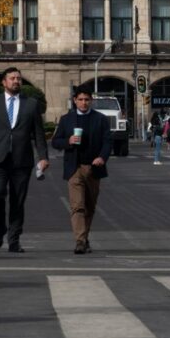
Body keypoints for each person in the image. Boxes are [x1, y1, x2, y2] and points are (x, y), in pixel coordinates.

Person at [0, 67, 49, 252]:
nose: (16, 81)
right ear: (4, 82)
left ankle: (14, 240)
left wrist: (43, 157)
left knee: (18, 201)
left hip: (22, 160)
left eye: (18, 78)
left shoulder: (31, 104)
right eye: (12, 78)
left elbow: (39, 133)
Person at [51, 86, 111, 254]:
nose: (84, 102)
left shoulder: (100, 119)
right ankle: (80, 241)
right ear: (75, 101)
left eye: (87, 99)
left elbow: (107, 142)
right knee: (77, 206)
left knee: (90, 207)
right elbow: (56, 142)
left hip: (93, 168)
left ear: (91, 100)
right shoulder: (66, 120)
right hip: (74, 168)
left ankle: (84, 237)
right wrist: (68, 141)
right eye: (80, 99)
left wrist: (102, 157)